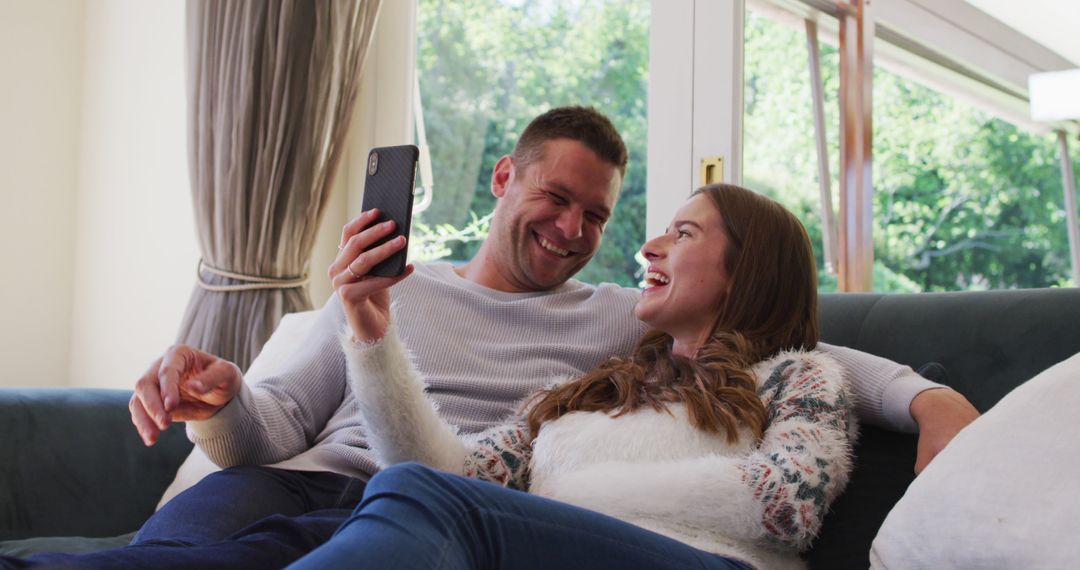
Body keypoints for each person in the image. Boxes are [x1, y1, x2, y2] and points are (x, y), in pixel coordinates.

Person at [0, 107, 977, 569]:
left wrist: (930, 397)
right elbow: (272, 427)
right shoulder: (385, 290)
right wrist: (217, 400)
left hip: (457, 505)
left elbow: (788, 348)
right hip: (307, 482)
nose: (579, 232)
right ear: (505, 179)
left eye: (597, 217)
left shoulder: (625, 329)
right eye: (558, 198)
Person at [290, 183, 852, 570]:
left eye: (682, 234)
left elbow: (788, 502)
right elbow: (445, 474)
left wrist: (562, 497)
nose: (649, 247)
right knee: (402, 486)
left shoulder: (795, 378)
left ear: (746, 270)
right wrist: (371, 332)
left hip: (714, 561)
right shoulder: (603, 389)